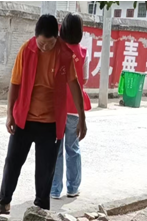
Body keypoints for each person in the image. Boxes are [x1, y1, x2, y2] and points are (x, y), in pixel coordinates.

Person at [0, 14, 87, 215]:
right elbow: (14, 84)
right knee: (12, 161)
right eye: (41, 43)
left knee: (45, 170)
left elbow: (74, 85)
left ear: (56, 38)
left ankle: (40, 210)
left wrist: (82, 118)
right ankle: (4, 202)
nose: (44, 48)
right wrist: (10, 114)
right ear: (35, 38)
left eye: (49, 44)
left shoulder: (64, 54)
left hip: (51, 123)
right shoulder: (27, 50)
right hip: (24, 118)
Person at [51, 13, 92, 199]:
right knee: (73, 149)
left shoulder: (56, 50)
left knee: (56, 150)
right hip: (75, 109)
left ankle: (54, 189)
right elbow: (84, 79)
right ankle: (73, 188)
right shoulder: (83, 53)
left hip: (56, 108)